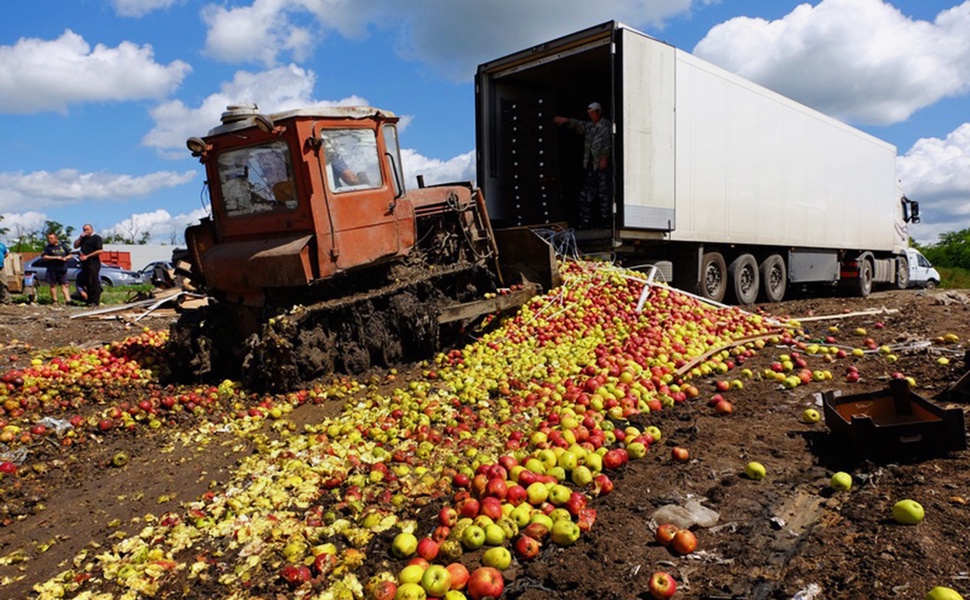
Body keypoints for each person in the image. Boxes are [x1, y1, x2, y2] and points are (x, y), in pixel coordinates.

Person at [553, 101, 613, 228]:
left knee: (604, 194)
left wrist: (605, 158)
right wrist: (567, 121)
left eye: (592, 113)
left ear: (598, 112)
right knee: (585, 194)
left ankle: (608, 221)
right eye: (589, 114)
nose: (590, 116)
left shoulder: (606, 126)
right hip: (591, 167)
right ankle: (585, 221)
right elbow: (580, 125)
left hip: (601, 166)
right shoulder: (590, 126)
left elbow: (609, 143)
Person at [73, 224, 103, 307]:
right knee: (87, 282)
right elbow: (75, 246)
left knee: (93, 281)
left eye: (87, 229)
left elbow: (100, 251)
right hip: (84, 263)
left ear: (91, 229)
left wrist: (87, 256)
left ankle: (95, 301)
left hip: (93, 262)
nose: (86, 231)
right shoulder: (84, 239)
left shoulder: (96, 238)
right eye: (84, 230)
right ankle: (89, 300)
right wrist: (80, 237)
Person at [41, 232, 72, 304]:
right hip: (52, 269)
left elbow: (70, 255)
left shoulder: (62, 246)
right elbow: (44, 256)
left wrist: (65, 258)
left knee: (65, 284)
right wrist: (56, 257)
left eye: (51, 238)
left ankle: (68, 300)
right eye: (49, 238)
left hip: (62, 268)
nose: (50, 240)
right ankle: (55, 300)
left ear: (56, 239)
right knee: (53, 285)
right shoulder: (47, 248)